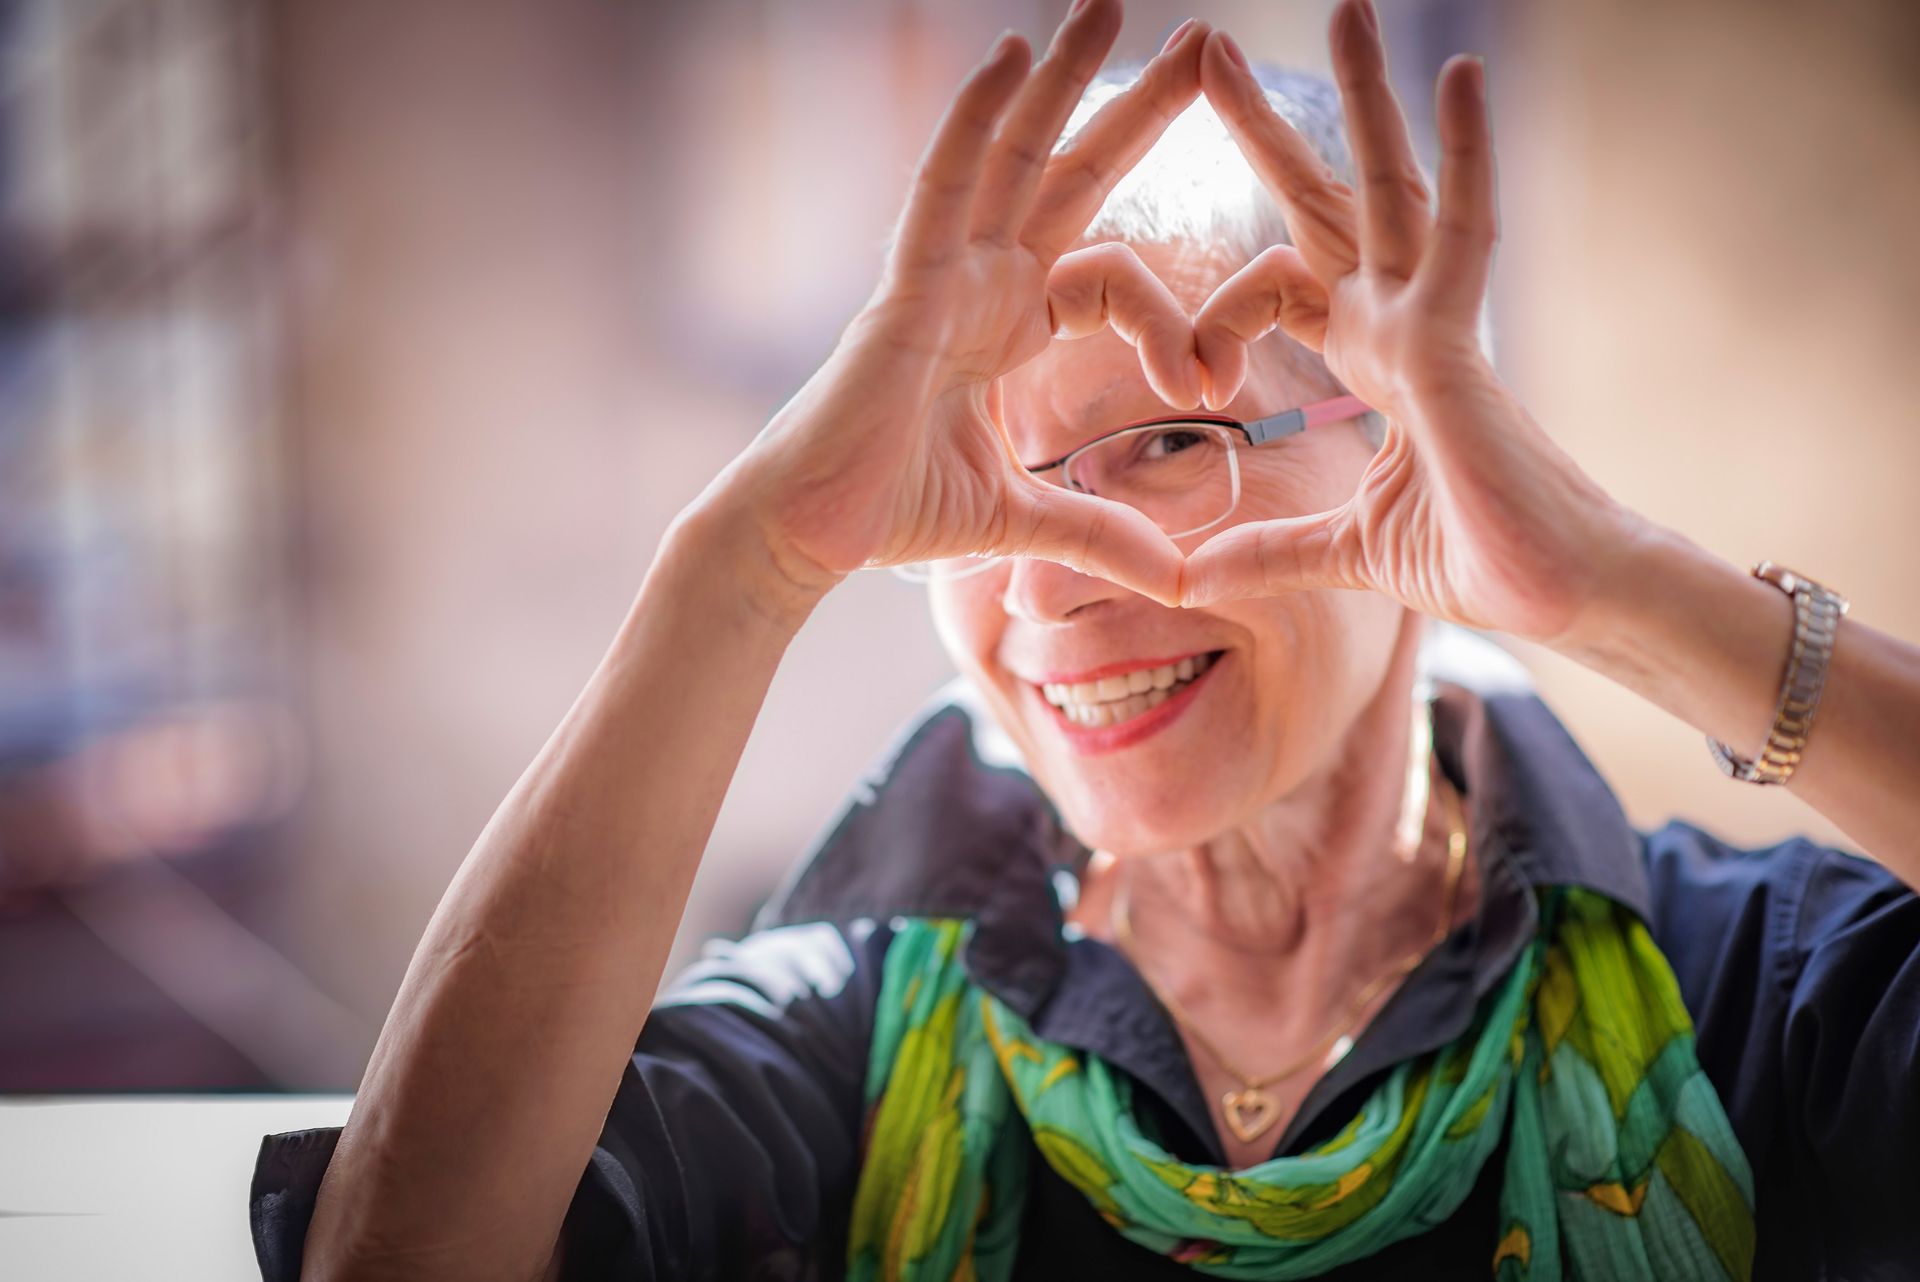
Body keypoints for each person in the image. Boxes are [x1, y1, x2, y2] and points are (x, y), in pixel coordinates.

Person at [249, 2, 1920, 1279]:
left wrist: (1623, 586)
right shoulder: (854, 1027)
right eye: (982, 486)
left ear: (1407, 446)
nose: (1046, 583)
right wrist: (740, 567)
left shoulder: (1745, 993)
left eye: (1173, 442)